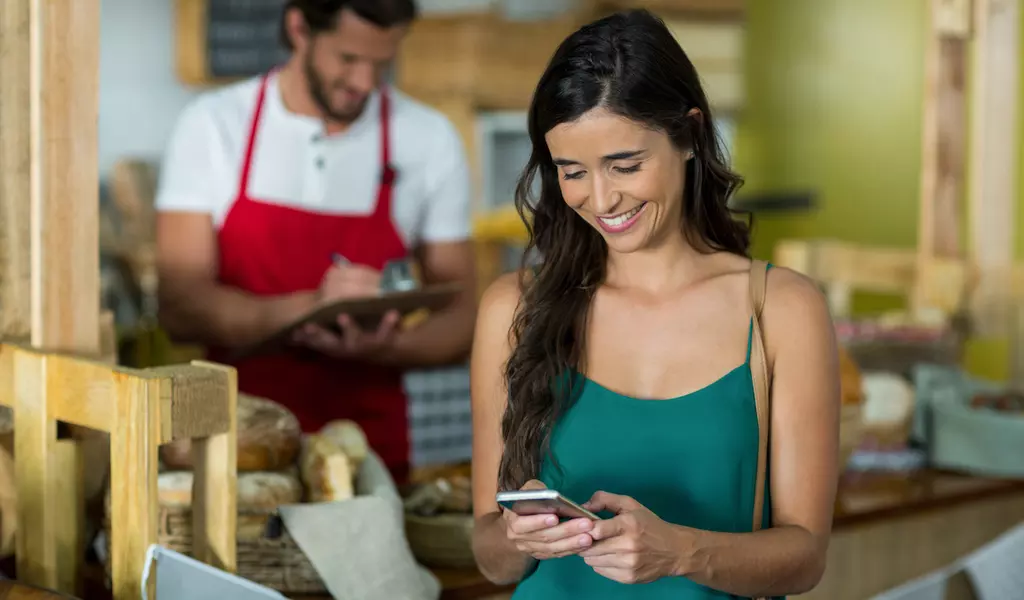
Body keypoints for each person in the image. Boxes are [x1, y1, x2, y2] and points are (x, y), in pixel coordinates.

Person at [470, 9, 840, 599]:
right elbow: (490, 557)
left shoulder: (781, 310)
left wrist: (682, 553)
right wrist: (519, 538)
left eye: (625, 164)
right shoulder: (512, 308)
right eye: (571, 172)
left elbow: (804, 558)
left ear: (690, 135)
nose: (601, 198)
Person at [155, 0, 476, 483]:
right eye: (348, 59)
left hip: (368, 460)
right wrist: (311, 309)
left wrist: (379, 347)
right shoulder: (212, 127)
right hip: (236, 449)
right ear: (298, 26)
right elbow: (180, 307)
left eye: (381, 63)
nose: (365, 82)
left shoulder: (429, 139)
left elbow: (463, 316)